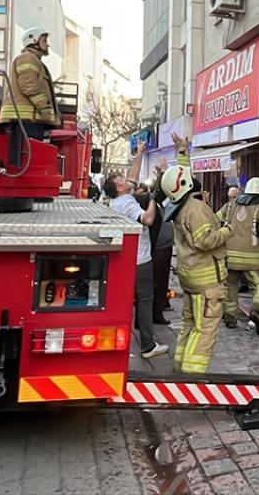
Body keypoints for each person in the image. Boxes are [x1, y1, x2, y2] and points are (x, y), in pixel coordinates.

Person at [163, 133, 233, 373]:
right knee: (205, 330)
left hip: (190, 277)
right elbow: (205, 241)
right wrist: (226, 231)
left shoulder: (178, 205)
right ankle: (192, 377)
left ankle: (180, 367)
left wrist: (182, 152)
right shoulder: (196, 209)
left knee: (189, 325)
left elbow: (182, 179)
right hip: (206, 280)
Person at [105, 142, 169, 360]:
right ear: (120, 188)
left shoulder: (118, 200)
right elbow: (148, 220)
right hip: (141, 260)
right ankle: (148, 345)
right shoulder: (129, 204)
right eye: (121, 180)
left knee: (129, 300)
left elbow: (133, 174)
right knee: (145, 299)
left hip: (128, 258)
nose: (126, 179)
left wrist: (140, 153)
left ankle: (137, 336)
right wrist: (153, 198)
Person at [220, 177, 259, 336]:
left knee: (230, 287)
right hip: (253, 259)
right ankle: (257, 310)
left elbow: (215, 221)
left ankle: (230, 318)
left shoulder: (230, 206)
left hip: (230, 257)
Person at [0, 27, 61, 168]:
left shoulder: (33, 60)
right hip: (28, 119)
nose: (47, 44)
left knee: (26, 158)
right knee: (28, 158)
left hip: (29, 119)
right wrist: (44, 106)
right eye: (44, 40)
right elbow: (28, 85)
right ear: (34, 41)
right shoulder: (28, 59)